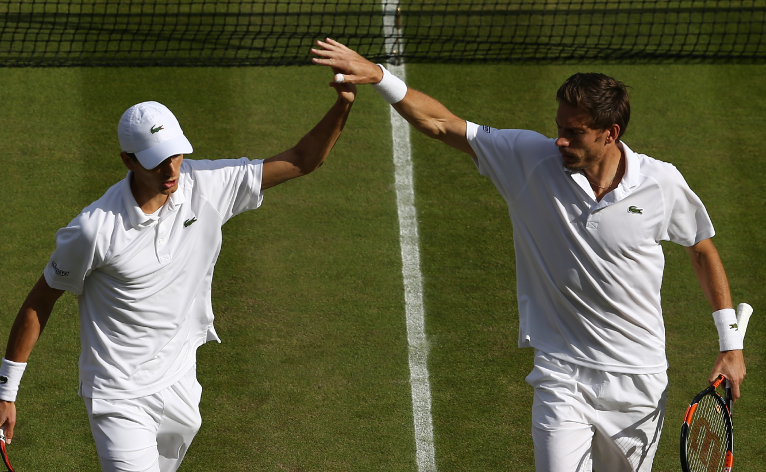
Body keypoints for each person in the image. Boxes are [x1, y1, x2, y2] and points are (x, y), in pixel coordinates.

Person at [311, 38, 746, 471]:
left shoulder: (661, 183)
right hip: (562, 373)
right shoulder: (528, 159)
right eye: (559, 127)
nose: (559, 140)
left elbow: (701, 249)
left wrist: (730, 345)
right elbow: (440, 123)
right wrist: (380, 76)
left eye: (574, 132)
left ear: (610, 133)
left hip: (638, 382)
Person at [0, 78, 356, 472]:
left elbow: (303, 159)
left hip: (180, 380)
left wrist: (343, 103)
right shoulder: (94, 229)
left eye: (175, 154)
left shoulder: (206, 186)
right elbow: (39, 302)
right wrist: (5, 391)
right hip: (118, 395)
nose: (170, 168)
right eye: (155, 159)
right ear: (128, 160)